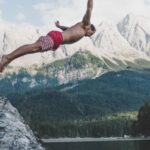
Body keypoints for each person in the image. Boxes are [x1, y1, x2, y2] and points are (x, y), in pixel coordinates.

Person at [0, 0, 96, 72]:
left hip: (56, 40)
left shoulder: (80, 29)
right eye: (91, 33)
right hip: (56, 38)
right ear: (90, 28)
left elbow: (68, 30)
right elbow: (89, 8)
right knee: (33, 47)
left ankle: (7, 60)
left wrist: (59, 26)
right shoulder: (85, 24)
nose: (89, 36)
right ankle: (7, 57)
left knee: (33, 50)